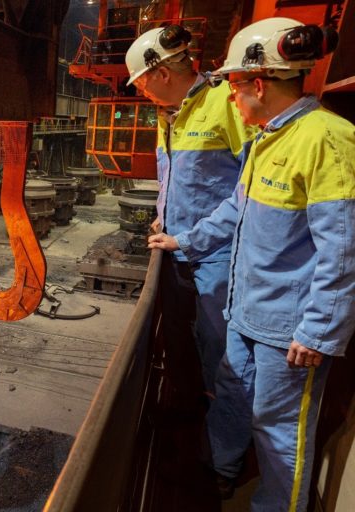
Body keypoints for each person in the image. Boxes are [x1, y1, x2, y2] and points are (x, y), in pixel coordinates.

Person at [148, 17, 354, 510]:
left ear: (257, 84)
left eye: (234, 88)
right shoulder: (268, 138)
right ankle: (215, 476)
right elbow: (233, 212)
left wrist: (319, 330)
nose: (232, 100)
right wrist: (183, 241)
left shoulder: (327, 138)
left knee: (281, 434)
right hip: (246, 310)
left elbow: (344, 247)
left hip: (289, 330)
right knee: (233, 395)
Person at [125, 25, 255, 400]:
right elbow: (177, 176)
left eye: (142, 81)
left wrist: (190, 238)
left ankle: (220, 449)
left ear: (162, 73)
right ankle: (186, 413)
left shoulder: (226, 104)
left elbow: (250, 190)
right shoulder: (169, 114)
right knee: (180, 343)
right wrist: (163, 213)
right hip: (174, 250)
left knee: (221, 352)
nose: (139, 90)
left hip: (218, 257)